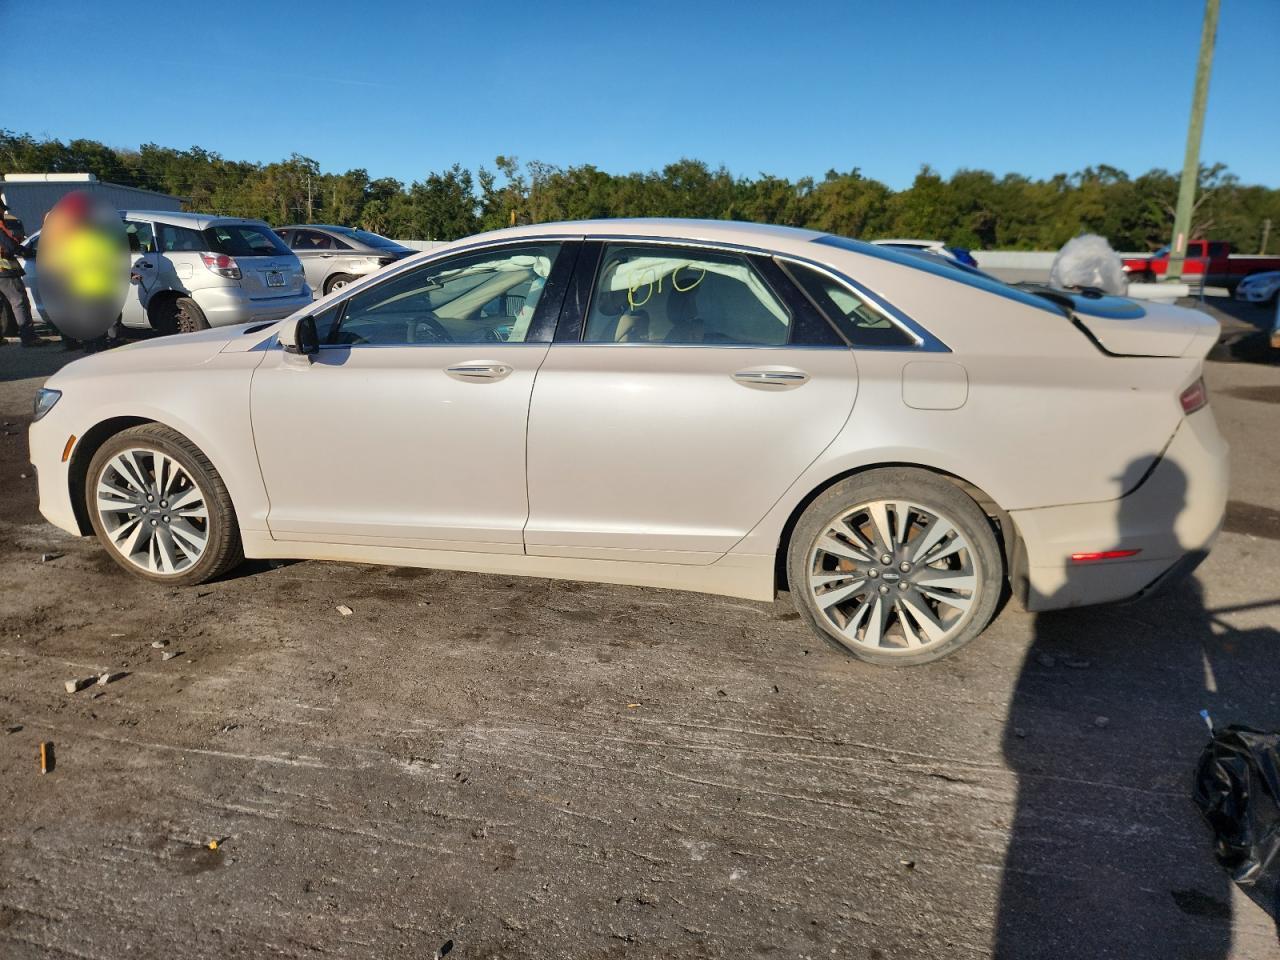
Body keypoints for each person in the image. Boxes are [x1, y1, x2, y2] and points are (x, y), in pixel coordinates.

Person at [0, 197, 43, 347]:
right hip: (4, 271)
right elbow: (11, 247)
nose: (4, 212)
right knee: (19, 302)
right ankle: (29, 338)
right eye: (2, 209)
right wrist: (26, 252)